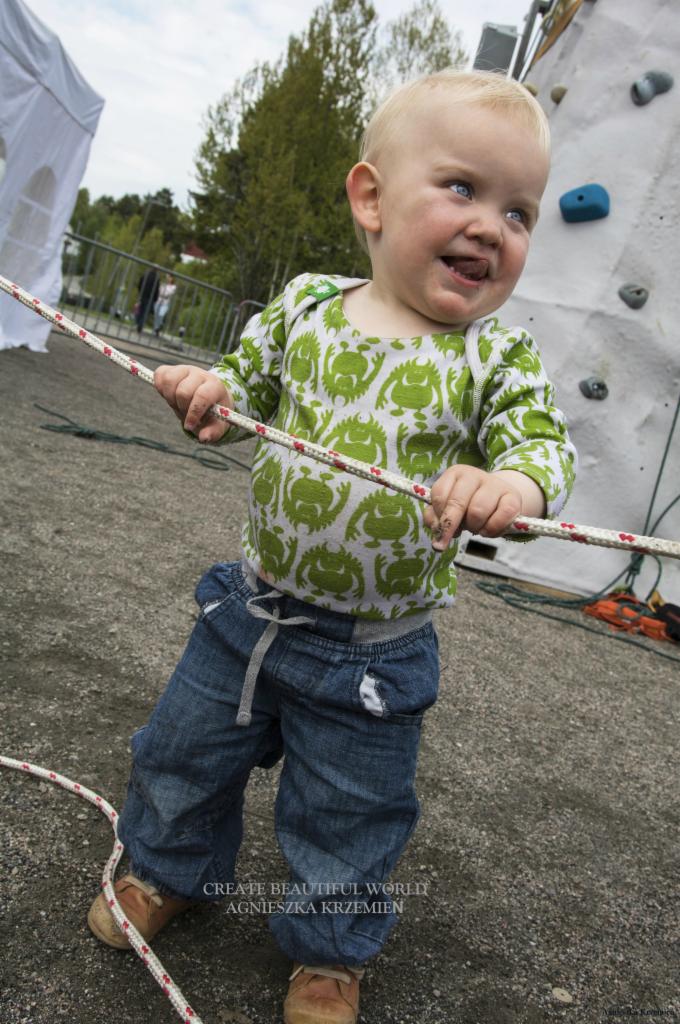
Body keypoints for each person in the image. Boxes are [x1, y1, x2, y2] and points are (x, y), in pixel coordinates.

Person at [87, 70, 577, 1024]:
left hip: (372, 657)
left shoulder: (496, 357)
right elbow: (244, 392)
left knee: (350, 816)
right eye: (464, 190)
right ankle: (167, 871)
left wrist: (507, 486)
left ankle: (329, 952)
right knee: (182, 758)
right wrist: (210, 393)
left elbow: (541, 448)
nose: (492, 228)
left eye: (520, 212)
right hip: (247, 611)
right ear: (372, 198)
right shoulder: (309, 307)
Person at [135, 267, 159, 333]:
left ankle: (138, 322)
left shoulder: (145, 275)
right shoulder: (156, 278)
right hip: (150, 298)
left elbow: (140, 283)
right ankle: (140, 324)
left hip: (142, 295)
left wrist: (140, 291)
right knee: (145, 312)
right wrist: (155, 298)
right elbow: (156, 289)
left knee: (140, 309)